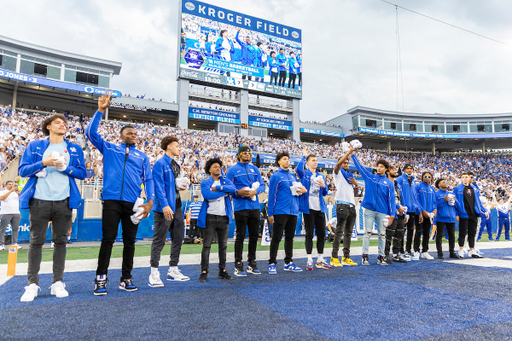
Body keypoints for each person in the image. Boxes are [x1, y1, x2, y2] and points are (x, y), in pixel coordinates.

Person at [86, 91, 155, 295]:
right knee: (108, 239)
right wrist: (100, 110)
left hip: (132, 203)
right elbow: (91, 134)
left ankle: (126, 278)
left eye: (135, 134)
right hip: (111, 201)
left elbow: (148, 179)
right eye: (129, 133)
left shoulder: (142, 157)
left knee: (130, 242)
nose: (133, 136)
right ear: (121, 136)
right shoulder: (109, 148)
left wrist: (150, 201)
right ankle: (100, 279)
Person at [18, 114, 86, 302]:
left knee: (61, 242)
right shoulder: (35, 146)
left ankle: (58, 282)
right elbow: (22, 170)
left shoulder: (73, 148)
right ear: (48, 126)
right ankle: (32, 284)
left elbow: (83, 173)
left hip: (64, 201)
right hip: (39, 201)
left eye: (64, 123)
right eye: (58, 122)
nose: (63, 125)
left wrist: (66, 169)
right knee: (36, 242)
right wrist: (44, 163)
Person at [148, 136, 189, 288]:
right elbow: (158, 186)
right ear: (169, 147)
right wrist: (165, 205)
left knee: (178, 237)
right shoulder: (160, 163)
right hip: (164, 207)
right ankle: (153, 273)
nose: (179, 148)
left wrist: (180, 186)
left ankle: (173, 269)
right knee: (159, 240)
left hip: (177, 206)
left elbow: (172, 185)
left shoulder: (176, 164)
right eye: (177, 146)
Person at [349, 143, 395, 266]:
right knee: (367, 233)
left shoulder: (389, 183)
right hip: (369, 210)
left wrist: (392, 215)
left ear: (386, 169)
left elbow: (391, 200)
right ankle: (364, 256)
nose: (378, 168)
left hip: (382, 212)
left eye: (381, 167)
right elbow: (359, 167)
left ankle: (381, 257)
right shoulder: (370, 177)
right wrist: (353, 155)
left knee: (382, 234)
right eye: (377, 166)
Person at [226, 146, 265, 276]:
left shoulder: (255, 169)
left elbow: (263, 185)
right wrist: (238, 192)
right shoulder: (232, 170)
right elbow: (228, 187)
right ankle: (238, 264)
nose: (248, 155)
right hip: (240, 207)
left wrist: (255, 191)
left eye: (249, 153)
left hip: (254, 207)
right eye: (245, 153)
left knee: (254, 236)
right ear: (239, 155)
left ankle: (252, 263)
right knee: (240, 237)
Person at [267, 151, 307, 274]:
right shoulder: (275, 176)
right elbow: (271, 195)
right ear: (279, 161)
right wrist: (270, 213)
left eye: (288, 159)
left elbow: (296, 194)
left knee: (290, 238)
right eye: (284, 159)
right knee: (277, 237)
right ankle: (272, 263)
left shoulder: (293, 176)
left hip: (293, 212)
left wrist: (303, 191)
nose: (287, 161)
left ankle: (288, 262)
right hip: (280, 211)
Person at [197, 158, 236, 282]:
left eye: (219, 166)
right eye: (215, 166)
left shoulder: (226, 181)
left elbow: (233, 190)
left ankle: (222, 271)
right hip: (210, 217)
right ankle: (204, 271)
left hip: (224, 218)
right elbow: (207, 195)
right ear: (209, 169)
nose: (218, 168)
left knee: (223, 246)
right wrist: (224, 193)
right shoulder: (205, 182)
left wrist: (218, 189)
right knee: (207, 245)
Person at [297, 147, 331, 270]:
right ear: (308, 162)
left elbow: (325, 192)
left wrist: (323, 186)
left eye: (316, 160)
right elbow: (298, 169)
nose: (315, 162)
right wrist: (303, 155)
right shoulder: (305, 174)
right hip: (308, 208)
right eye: (313, 160)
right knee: (309, 234)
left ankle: (320, 258)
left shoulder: (321, 176)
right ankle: (309, 258)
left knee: (322, 234)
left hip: (320, 208)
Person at [331, 149, 359, 266]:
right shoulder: (337, 173)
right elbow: (337, 165)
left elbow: (355, 192)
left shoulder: (350, 175)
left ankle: (346, 257)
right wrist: (348, 153)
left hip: (351, 205)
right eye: (344, 162)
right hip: (342, 204)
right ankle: (334, 257)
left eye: (347, 162)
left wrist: (356, 184)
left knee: (348, 233)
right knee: (339, 232)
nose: (346, 164)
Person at [453, 172, 487, 258]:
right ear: (461, 179)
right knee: (463, 232)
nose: (465, 178)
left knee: (472, 232)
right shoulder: (457, 189)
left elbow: (478, 202)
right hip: (463, 213)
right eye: (463, 177)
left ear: (469, 179)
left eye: (466, 177)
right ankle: (461, 249)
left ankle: (472, 250)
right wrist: (457, 214)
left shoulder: (474, 189)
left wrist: (484, 210)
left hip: (474, 213)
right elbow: (455, 203)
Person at [384, 165, 408, 264]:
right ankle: (385, 255)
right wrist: (398, 207)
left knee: (399, 234)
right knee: (389, 234)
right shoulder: (385, 183)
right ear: (387, 172)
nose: (395, 171)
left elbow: (401, 198)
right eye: (392, 170)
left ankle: (396, 254)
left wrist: (405, 212)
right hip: (391, 212)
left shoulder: (397, 184)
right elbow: (386, 199)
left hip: (400, 213)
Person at [395, 164, 418, 260]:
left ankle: (408, 250)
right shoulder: (400, 179)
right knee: (402, 230)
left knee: (410, 231)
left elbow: (414, 196)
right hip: (404, 208)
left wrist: (417, 207)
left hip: (412, 209)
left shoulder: (413, 181)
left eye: (411, 168)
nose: (409, 170)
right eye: (407, 168)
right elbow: (397, 191)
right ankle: (400, 250)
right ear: (404, 170)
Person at [413, 172, 436, 260]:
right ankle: (416, 251)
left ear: (431, 178)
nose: (427, 178)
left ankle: (425, 251)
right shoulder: (417, 186)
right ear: (422, 177)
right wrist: (421, 211)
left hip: (429, 215)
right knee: (418, 232)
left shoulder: (432, 189)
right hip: (420, 214)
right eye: (425, 176)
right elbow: (416, 200)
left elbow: (434, 202)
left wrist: (434, 210)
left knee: (427, 233)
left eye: (429, 177)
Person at [434, 179, 458, 259]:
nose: (446, 183)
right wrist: (443, 201)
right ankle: (440, 253)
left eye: (446, 181)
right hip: (441, 217)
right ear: (439, 185)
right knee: (439, 235)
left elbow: (456, 205)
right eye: (443, 182)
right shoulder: (436, 194)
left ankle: (452, 252)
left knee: (452, 235)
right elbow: (435, 206)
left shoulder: (451, 193)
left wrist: (455, 201)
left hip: (451, 217)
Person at [0, 180, 21, 251]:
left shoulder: (15, 192)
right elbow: (2, 198)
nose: (11, 185)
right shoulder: (2, 192)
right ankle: (1, 244)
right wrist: (10, 191)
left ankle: (15, 243)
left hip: (16, 212)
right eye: (10, 184)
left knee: (15, 229)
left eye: (12, 184)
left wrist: (19, 192)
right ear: (5, 185)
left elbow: (22, 197)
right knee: (3, 229)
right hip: (5, 213)